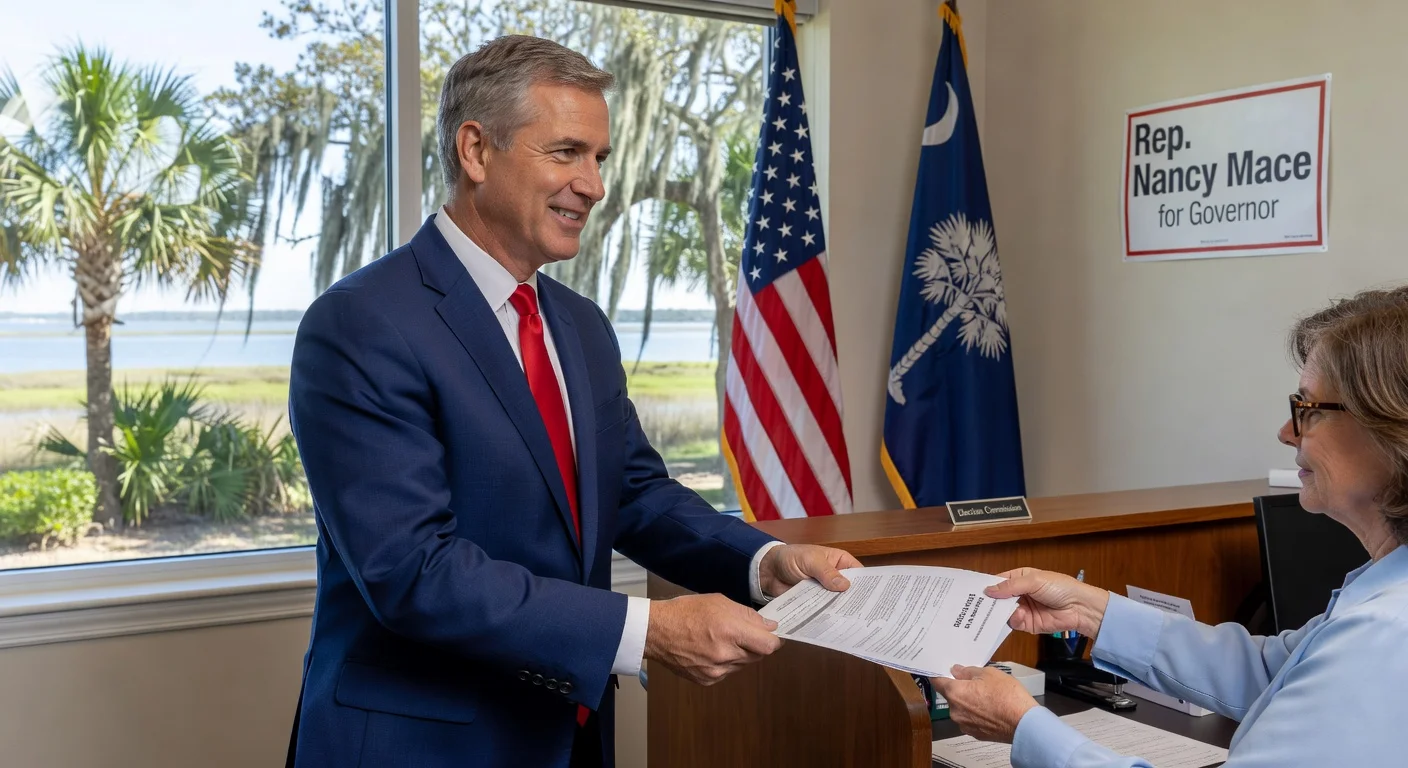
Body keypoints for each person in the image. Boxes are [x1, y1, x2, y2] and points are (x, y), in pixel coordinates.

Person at [283, 35, 860, 768]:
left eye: (600, 159)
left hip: (567, 736)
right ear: (475, 150)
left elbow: (635, 495)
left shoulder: (579, 325)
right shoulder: (361, 322)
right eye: (566, 153)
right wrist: (645, 630)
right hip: (418, 744)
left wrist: (764, 561)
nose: (592, 185)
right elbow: (412, 571)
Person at [933, 285, 1408, 766]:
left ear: (1391, 430)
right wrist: (1089, 611)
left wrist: (1025, 729)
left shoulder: (1385, 631)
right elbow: (1272, 673)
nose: (1287, 432)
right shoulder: (1385, 591)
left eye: (1307, 410)